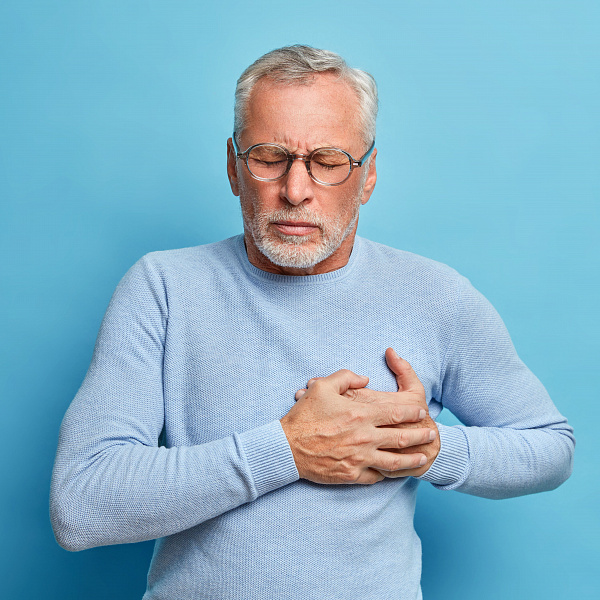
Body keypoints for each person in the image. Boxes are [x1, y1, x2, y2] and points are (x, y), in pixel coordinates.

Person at [50, 45, 575, 600]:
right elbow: (83, 506)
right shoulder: (163, 287)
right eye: (269, 157)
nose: (296, 191)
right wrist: (288, 449)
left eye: (327, 163)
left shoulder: (436, 296)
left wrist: (423, 447)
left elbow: (550, 447)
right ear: (233, 166)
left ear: (368, 175)